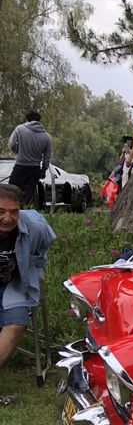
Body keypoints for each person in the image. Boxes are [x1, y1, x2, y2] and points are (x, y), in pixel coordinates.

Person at [0, 185, 56, 405]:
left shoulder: (34, 225)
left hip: (15, 284)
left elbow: (44, 246)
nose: (8, 217)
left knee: (16, 325)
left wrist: (35, 270)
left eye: (14, 211)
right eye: (2, 211)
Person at [6, 110, 52, 209]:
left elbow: (12, 144)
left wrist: (18, 152)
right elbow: (47, 157)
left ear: (27, 119)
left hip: (20, 166)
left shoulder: (20, 129)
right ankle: (26, 210)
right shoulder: (46, 136)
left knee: (11, 191)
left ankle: (13, 209)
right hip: (35, 169)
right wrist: (43, 170)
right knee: (29, 194)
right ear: (39, 120)